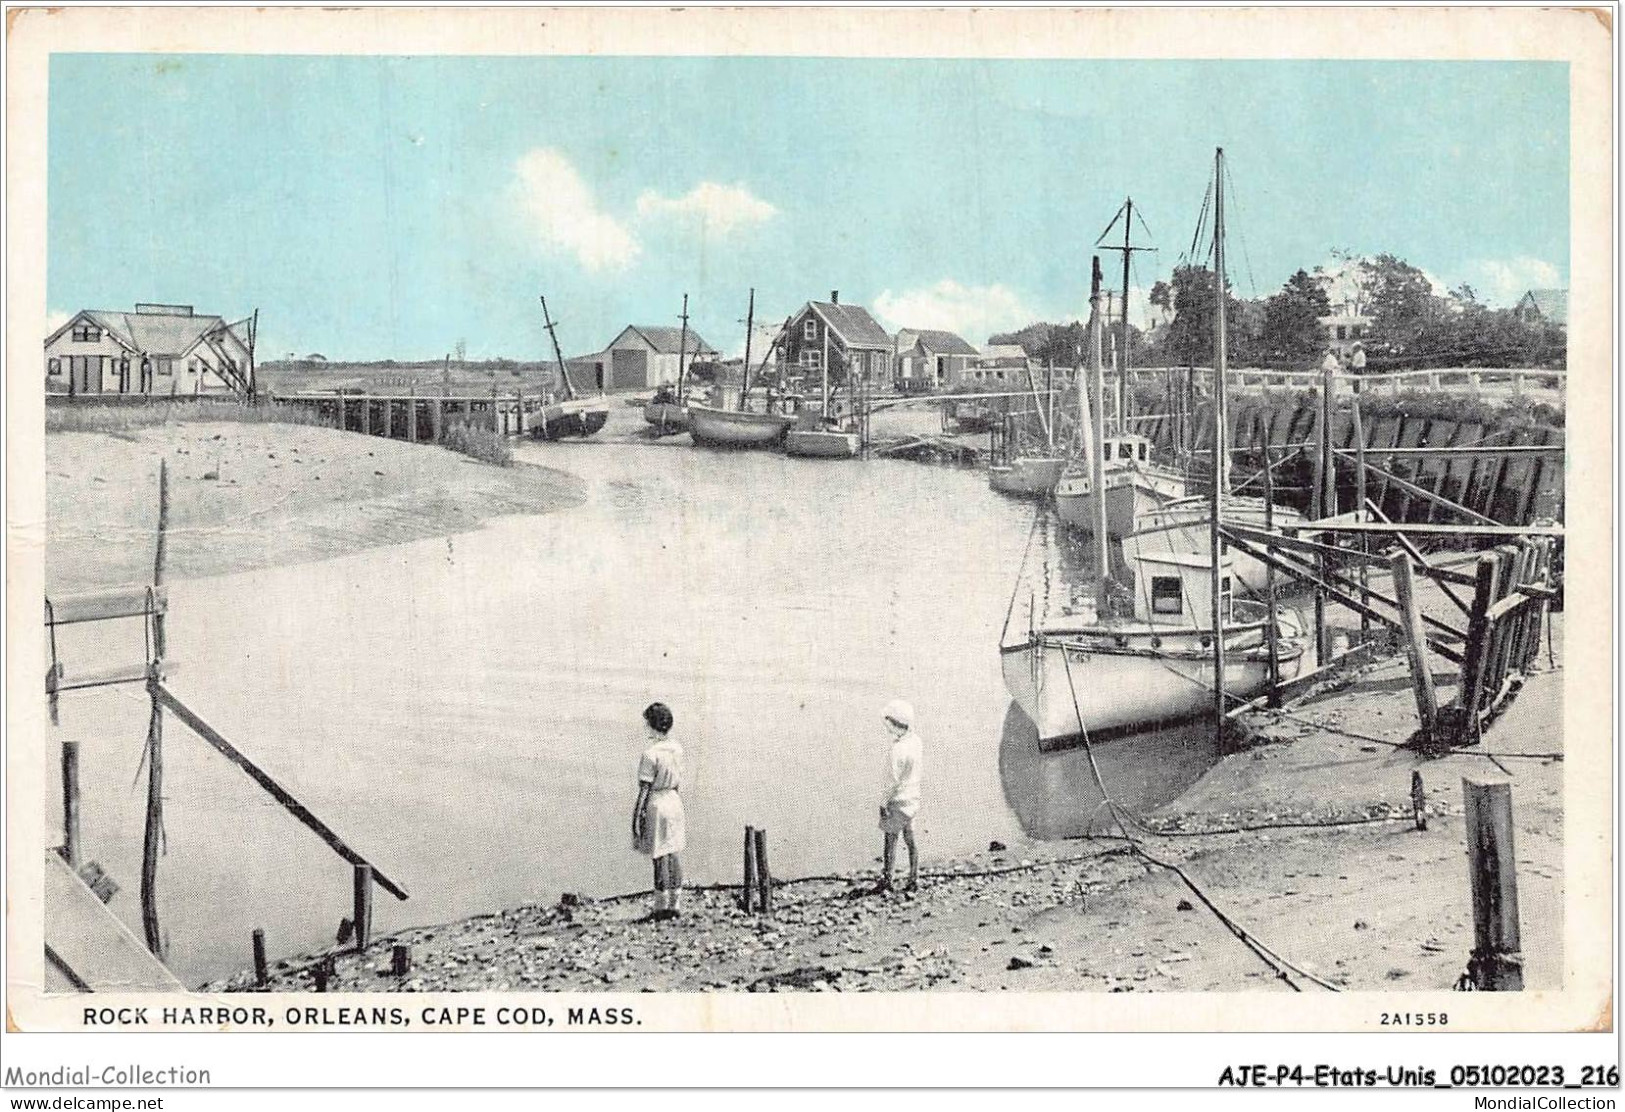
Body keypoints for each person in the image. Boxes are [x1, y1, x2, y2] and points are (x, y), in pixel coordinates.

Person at [632, 702, 686, 921]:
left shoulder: (650, 754)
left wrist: (637, 818)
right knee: (673, 853)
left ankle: (660, 906)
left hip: (657, 802)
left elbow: (644, 790)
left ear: (651, 725)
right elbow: (677, 782)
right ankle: (675, 904)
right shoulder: (677, 749)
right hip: (674, 801)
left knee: (659, 855)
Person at [876, 699, 922, 894]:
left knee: (890, 842)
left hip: (898, 802)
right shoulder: (916, 742)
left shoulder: (897, 750)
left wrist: (883, 803)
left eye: (890, 725)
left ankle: (888, 879)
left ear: (896, 725)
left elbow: (892, 782)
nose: (888, 730)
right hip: (912, 800)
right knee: (910, 841)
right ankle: (914, 877)